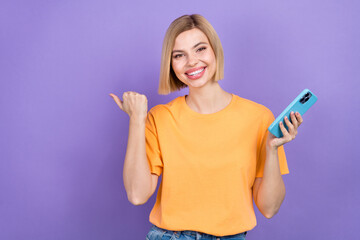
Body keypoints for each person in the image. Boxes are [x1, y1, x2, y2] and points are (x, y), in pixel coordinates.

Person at [109, 14, 303, 240]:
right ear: (171, 65)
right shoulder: (160, 118)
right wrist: (137, 119)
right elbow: (137, 194)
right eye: (179, 55)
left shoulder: (258, 118)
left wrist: (272, 150)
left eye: (200, 49)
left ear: (215, 51)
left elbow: (269, 209)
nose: (191, 62)